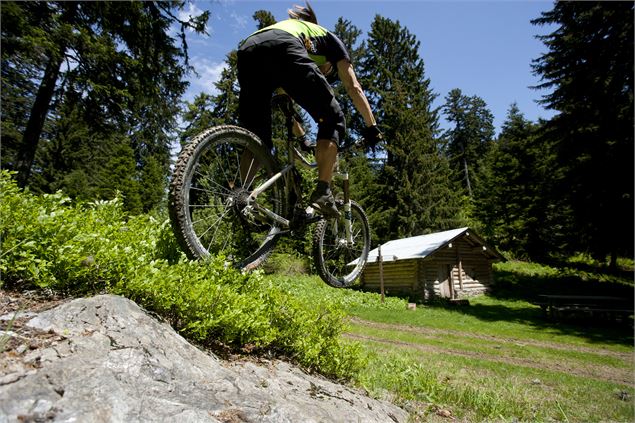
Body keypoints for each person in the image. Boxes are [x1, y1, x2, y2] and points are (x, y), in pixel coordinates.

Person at [236, 1, 382, 218]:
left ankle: (238, 194)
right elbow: (354, 87)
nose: (325, 73)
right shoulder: (329, 39)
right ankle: (323, 191)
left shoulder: (297, 33)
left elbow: (287, 104)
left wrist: (303, 138)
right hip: (282, 46)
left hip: (248, 49)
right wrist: (372, 126)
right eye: (328, 71)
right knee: (333, 118)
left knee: (260, 141)